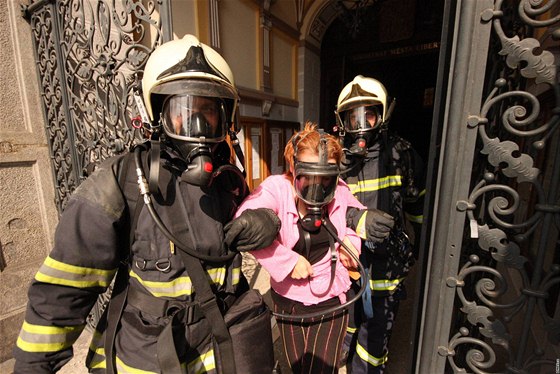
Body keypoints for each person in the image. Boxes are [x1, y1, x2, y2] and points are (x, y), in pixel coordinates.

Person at [13, 34, 281, 374]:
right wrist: (32, 368)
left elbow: (273, 208)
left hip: (222, 350)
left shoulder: (229, 178)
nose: (197, 126)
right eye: (182, 110)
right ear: (156, 114)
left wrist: (267, 220)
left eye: (208, 111)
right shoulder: (120, 183)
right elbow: (62, 293)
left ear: (226, 117)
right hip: (147, 358)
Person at [232, 122, 366, 373]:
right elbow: (245, 225)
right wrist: (286, 261)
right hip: (287, 302)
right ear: (293, 167)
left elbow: (357, 217)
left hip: (330, 301)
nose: (317, 186)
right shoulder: (276, 188)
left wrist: (350, 240)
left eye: (325, 177)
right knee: (298, 368)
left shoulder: (340, 190)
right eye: (308, 175)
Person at [335, 75, 425, 373]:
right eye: (353, 116)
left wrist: (420, 241)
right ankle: (341, 354)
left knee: (375, 337)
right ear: (342, 120)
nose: (361, 124)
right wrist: (355, 219)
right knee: (346, 322)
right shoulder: (333, 159)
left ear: (382, 115)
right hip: (346, 262)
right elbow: (320, 205)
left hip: (387, 264)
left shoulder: (402, 155)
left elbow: (416, 203)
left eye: (368, 114)